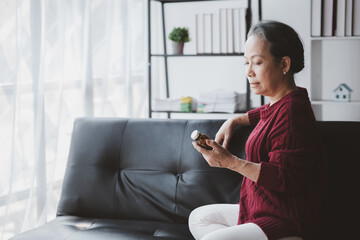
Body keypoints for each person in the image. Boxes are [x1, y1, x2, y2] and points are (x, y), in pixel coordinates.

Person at [188, 20, 325, 240]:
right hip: (261, 209)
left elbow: (285, 177)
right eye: (245, 63)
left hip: (284, 220)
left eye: (257, 62)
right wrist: (235, 120)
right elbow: (266, 113)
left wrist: (230, 162)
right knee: (199, 217)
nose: (249, 72)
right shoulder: (281, 103)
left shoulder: (292, 114)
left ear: (284, 64)